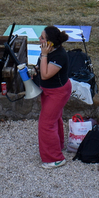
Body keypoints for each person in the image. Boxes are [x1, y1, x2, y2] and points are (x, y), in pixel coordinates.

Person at [36, 26, 72, 169]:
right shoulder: (49, 50)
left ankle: (55, 158)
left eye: (43, 38)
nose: (39, 39)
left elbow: (45, 75)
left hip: (58, 92)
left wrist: (43, 55)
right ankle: (58, 145)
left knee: (46, 124)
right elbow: (42, 70)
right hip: (50, 90)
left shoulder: (59, 56)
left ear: (50, 43)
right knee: (54, 119)